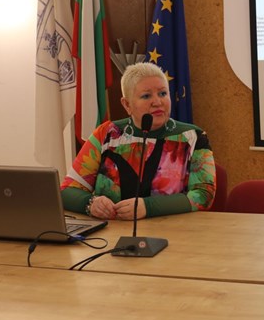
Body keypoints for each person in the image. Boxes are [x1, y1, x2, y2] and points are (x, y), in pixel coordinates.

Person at [61, 62, 216, 220]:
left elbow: (204, 195)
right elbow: (66, 191)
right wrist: (91, 203)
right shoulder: (107, 134)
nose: (157, 102)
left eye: (163, 93)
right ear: (127, 104)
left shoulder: (193, 137)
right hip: (113, 230)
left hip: (173, 229)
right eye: (146, 96)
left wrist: (149, 207)